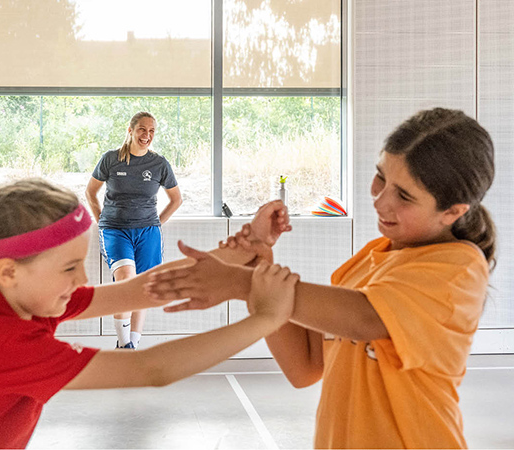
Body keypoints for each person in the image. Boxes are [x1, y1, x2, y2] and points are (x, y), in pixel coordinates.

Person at [145, 108, 496, 448]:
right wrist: (257, 266)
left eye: (403, 195)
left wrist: (239, 282)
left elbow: (366, 318)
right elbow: (304, 366)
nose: (380, 201)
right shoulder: (370, 258)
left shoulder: (459, 268)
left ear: (453, 211)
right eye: (381, 178)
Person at [0, 179, 296, 449]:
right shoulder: (3, 341)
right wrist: (265, 319)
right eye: (69, 267)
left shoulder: (10, 302)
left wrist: (244, 245)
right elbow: (151, 369)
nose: (81, 279)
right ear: (10, 271)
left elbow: (140, 289)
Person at [86, 111, 182, 349]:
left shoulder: (159, 164)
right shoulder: (110, 159)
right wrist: (101, 220)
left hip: (148, 231)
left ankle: (133, 345)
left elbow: (176, 199)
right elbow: (90, 192)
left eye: (151, 131)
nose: (147, 135)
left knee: (143, 287)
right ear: (130, 131)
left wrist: (156, 223)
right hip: (115, 230)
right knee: (126, 281)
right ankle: (123, 343)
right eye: (142, 129)